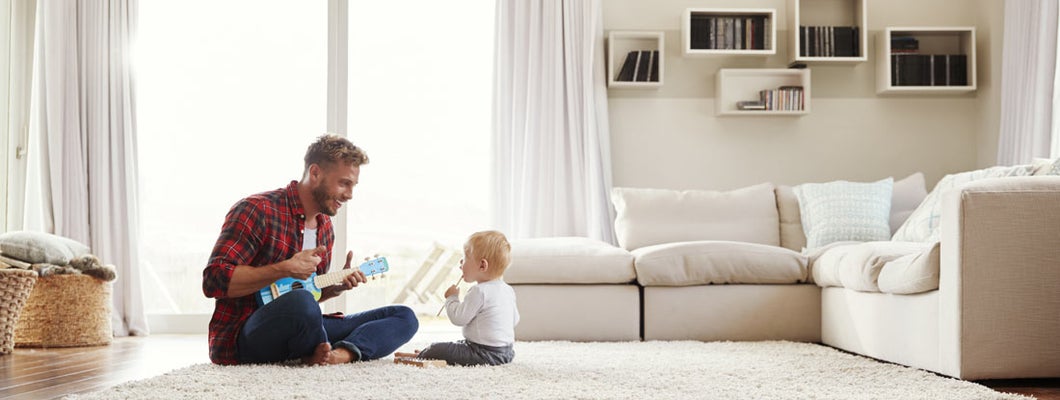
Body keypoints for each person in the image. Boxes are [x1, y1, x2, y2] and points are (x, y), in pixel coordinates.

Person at [202, 134, 418, 366]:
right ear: (315, 173)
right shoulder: (257, 210)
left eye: (353, 186)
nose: (349, 195)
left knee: (404, 316)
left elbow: (309, 293)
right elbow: (214, 281)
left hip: (299, 328)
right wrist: (284, 269)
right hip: (245, 334)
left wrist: (334, 288)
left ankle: (340, 355)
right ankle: (316, 348)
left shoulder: (325, 228)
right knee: (301, 303)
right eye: (344, 183)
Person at [396, 230, 520, 366]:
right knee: (456, 346)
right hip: (507, 353)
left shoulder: (479, 291)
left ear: (482, 265)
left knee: (437, 347)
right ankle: (429, 353)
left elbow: (459, 319)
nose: (461, 261)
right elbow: (514, 320)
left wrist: (452, 298)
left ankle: (426, 354)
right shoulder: (507, 290)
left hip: (483, 354)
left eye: (465, 257)